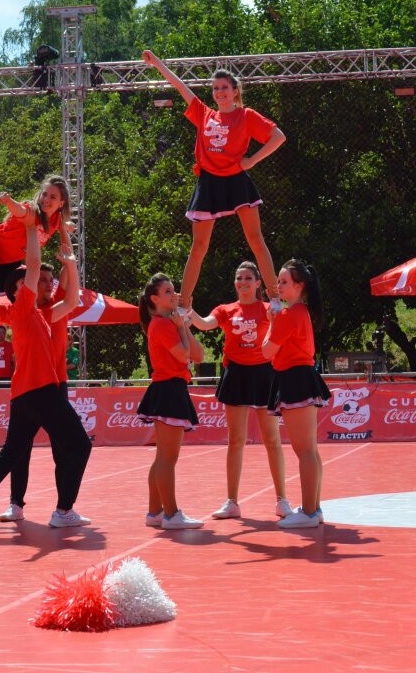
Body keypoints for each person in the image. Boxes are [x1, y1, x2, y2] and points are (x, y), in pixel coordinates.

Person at [0, 210, 92, 528]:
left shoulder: (31, 314)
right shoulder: (21, 307)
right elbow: (32, 266)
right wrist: (31, 227)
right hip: (41, 390)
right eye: (28, 280)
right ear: (20, 288)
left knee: (11, 453)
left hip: (25, 394)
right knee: (80, 445)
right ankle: (62, 511)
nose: (34, 281)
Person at [142, 50, 286, 308]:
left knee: (255, 239)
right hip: (208, 183)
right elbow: (179, 86)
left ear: (235, 92)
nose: (219, 92)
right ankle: (184, 305)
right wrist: (157, 63)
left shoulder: (246, 116)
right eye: (216, 88)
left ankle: (275, 298)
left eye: (224, 88)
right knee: (198, 247)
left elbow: (278, 137)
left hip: (236, 181)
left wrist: (251, 161)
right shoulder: (204, 113)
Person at [191, 261, 292, 520]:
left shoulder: (270, 308)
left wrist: (277, 313)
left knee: (272, 439)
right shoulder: (226, 310)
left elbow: (284, 329)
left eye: (248, 277)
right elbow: (203, 324)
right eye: (239, 278)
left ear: (258, 283)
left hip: (264, 374)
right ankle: (232, 502)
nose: (243, 281)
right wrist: (187, 310)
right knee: (235, 440)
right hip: (235, 374)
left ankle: (282, 499)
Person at [263, 260, 331, 529]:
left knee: (304, 450)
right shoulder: (299, 312)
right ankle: (313, 509)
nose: (278, 287)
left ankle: (310, 511)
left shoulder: (290, 315)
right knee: (309, 450)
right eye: (278, 282)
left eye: (284, 282)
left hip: (294, 378)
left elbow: (267, 351)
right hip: (300, 377)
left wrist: (270, 322)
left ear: (299, 286)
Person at [137, 273, 206, 530]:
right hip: (169, 389)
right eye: (167, 292)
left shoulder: (167, 323)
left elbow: (198, 355)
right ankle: (171, 514)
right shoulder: (163, 325)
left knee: (162, 457)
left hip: (168, 389)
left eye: (173, 289)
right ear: (154, 299)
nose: (173, 294)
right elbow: (184, 355)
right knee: (168, 457)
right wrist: (180, 328)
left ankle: (155, 511)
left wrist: (184, 325)